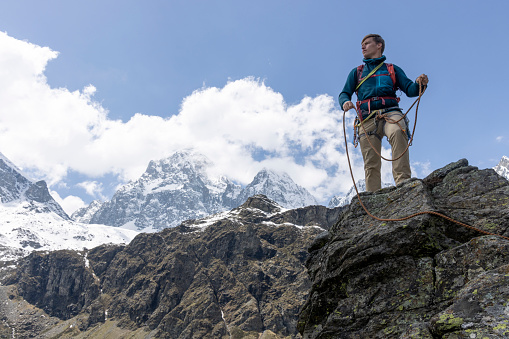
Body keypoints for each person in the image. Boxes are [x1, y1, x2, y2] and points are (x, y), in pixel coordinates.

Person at [339, 34, 428, 192]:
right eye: (362, 45)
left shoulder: (392, 69)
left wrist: (419, 84)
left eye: (367, 43)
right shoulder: (356, 73)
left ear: (379, 45)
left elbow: (410, 89)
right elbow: (344, 93)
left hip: (390, 112)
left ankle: (403, 184)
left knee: (397, 132)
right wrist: (345, 102)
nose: (363, 47)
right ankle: (373, 196)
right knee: (370, 162)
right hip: (366, 118)